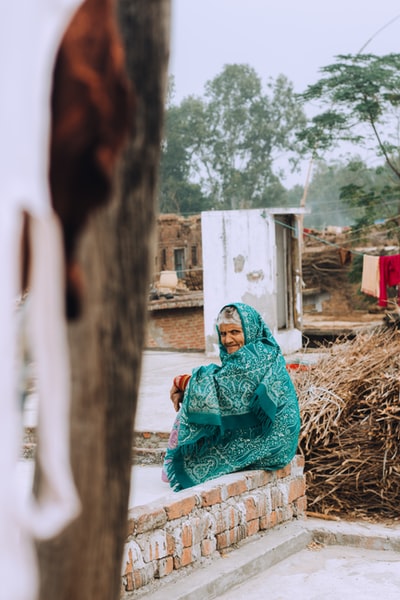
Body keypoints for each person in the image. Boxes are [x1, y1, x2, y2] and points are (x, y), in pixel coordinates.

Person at [162, 302, 301, 491]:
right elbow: (221, 384)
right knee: (199, 394)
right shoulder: (265, 350)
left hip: (272, 443)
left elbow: (220, 387)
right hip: (271, 439)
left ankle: (175, 466)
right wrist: (190, 384)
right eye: (223, 334)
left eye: (235, 332)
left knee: (197, 399)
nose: (227, 340)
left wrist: (181, 382)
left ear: (250, 330)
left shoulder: (257, 355)